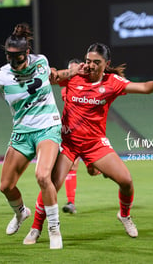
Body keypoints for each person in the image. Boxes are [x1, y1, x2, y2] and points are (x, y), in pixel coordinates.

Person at [23, 42, 153, 246]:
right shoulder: (75, 76)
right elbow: (50, 77)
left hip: (95, 144)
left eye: (96, 62)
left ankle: (124, 215)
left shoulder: (113, 82)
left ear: (106, 63)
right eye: (87, 61)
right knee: (51, 185)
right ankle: (35, 228)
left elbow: (145, 88)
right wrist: (70, 71)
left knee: (126, 181)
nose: (90, 65)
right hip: (68, 143)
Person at [0, 23, 63, 249]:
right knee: (5, 186)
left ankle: (54, 228)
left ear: (27, 53)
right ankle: (21, 213)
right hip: (22, 132)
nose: (13, 61)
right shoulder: (3, 75)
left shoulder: (41, 62)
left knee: (43, 176)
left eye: (17, 56)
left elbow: (54, 76)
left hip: (48, 127)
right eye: (9, 56)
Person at [61, 58, 101, 215]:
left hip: (90, 132)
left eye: (75, 69)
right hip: (72, 133)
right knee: (72, 166)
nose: (72, 72)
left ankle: (103, 169)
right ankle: (71, 202)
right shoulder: (67, 83)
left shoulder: (87, 84)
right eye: (70, 69)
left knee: (92, 171)